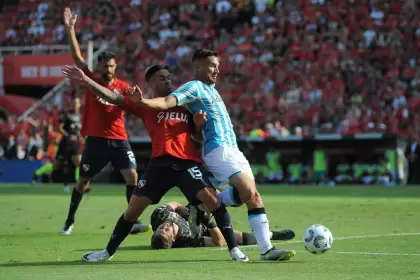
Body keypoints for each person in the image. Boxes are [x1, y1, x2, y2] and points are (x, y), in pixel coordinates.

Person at [62, 64, 248, 262]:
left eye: (169, 77)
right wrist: (86, 80)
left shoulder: (185, 104)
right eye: (162, 78)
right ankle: (107, 252)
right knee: (132, 210)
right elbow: (113, 97)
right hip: (159, 165)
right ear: (151, 83)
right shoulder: (144, 104)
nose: (168, 81)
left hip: (186, 163)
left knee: (213, 201)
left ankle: (234, 250)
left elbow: (197, 138)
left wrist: (199, 125)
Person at [126, 48, 296, 261]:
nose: (217, 70)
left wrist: (197, 124)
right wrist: (141, 102)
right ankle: (208, 207)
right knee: (247, 190)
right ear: (198, 66)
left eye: (218, 66)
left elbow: (193, 131)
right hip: (218, 150)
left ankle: (264, 249)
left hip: (234, 150)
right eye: (212, 66)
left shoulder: (212, 90)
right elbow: (167, 102)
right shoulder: (193, 87)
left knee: (252, 196)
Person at [60, 7, 149, 235]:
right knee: (83, 182)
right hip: (96, 141)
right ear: (99, 66)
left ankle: (132, 221)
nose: (108, 69)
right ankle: (69, 220)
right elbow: (78, 58)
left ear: (115, 66)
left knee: (133, 176)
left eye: (111, 66)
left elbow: (138, 106)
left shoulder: (124, 88)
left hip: (119, 139)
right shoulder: (90, 80)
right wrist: (70, 29)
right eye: (105, 66)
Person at [150, 201, 295, 249]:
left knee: (209, 199)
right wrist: (209, 221)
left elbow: (174, 204)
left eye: (160, 229)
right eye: (166, 231)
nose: (165, 226)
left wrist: (187, 213)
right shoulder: (187, 237)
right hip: (204, 228)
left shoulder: (158, 216)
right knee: (235, 238)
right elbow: (219, 242)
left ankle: (230, 196)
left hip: (193, 214)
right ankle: (271, 235)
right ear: (173, 239)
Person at [55, 95, 82, 192]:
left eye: (77, 103)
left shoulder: (80, 116)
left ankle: (79, 184)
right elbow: (59, 127)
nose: (75, 105)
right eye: (74, 103)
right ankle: (66, 184)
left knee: (78, 162)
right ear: (71, 104)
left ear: (79, 104)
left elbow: (79, 129)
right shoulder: (66, 114)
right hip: (65, 143)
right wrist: (68, 136)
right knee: (59, 165)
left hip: (75, 143)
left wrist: (81, 137)